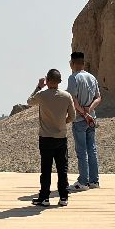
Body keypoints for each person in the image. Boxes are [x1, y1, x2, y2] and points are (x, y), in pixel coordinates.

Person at [27, 68, 74, 207]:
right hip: (61, 137)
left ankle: (44, 198)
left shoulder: (42, 95)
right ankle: (63, 197)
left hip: (46, 137)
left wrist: (39, 87)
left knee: (46, 169)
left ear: (47, 81)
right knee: (62, 168)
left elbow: (29, 101)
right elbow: (73, 116)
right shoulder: (66, 96)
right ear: (59, 81)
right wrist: (62, 122)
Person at [67, 51, 102, 190]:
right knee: (92, 149)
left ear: (72, 63)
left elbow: (73, 100)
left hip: (80, 119)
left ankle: (83, 181)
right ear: (84, 63)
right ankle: (94, 180)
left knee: (82, 151)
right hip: (91, 118)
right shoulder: (92, 77)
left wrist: (82, 112)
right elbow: (98, 98)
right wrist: (89, 110)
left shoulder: (73, 78)